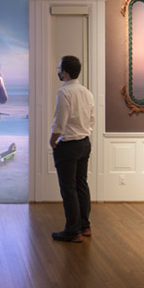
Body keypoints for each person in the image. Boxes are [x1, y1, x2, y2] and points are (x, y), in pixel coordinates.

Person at [50, 55, 95, 243]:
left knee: (68, 189)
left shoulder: (64, 93)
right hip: (84, 142)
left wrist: (53, 141)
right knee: (81, 185)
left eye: (60, 68)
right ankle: (85, 226)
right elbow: (91, 119)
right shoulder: (86, 92)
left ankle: (72, 231)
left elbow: (60, 122)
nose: (59, 71)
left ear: (65, 73)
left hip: (68, 145)